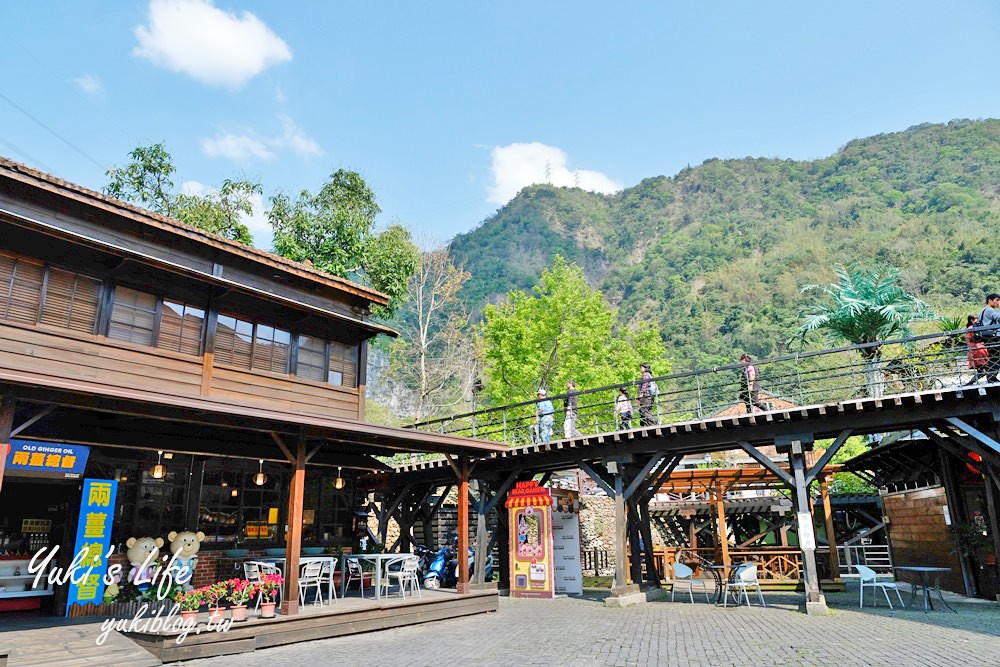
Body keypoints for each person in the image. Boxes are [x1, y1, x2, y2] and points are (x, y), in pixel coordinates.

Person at [978, 293, 1000, 383]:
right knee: (996, 357)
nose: (998, 302)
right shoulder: (990, 310)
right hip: (994, 337)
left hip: (988, 338)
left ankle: (992, 378)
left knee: (995, 358)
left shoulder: (983, 311)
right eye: (997, 300)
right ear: (990, 300)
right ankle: (991, 377)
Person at [966, 314, 990, 385]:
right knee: (985, 369)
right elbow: (975, 339)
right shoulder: (973, 328)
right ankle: (970, 383)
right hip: (978, 350)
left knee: (984, 370)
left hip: (976, 350)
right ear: (972, 320)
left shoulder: (970, 328)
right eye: (977, 319)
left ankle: (970, 383)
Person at [638, 363, 656, 427]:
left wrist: (641, 394)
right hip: (650, 396)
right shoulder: (649, 375)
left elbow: (644, 385)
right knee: (648, 411)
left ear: (645, 368)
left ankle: (654, 422)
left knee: (643, 410)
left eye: (641, 367)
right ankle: (651, 425)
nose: (640, 369)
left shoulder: (645, 375)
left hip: (646, 396)